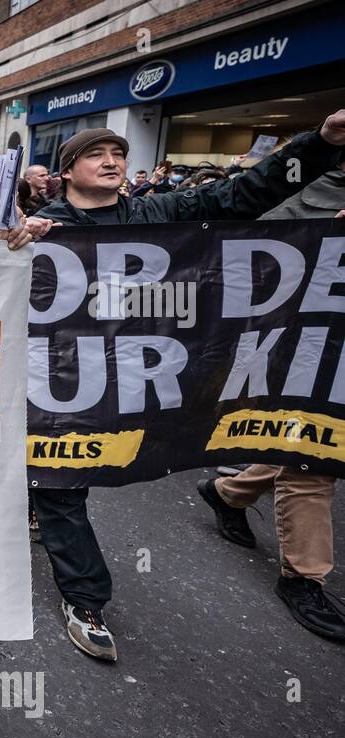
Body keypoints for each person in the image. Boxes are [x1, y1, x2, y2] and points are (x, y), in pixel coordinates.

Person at [33, 112, 345, 662]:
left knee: (67, 473)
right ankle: (85, 600)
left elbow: (243, 194)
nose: (111, 162)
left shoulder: (157, 212)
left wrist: (318, 144)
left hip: (139, 375)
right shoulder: (48, 226)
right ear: (67, 172)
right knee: (62, 477)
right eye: (95, 155)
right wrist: (12, 242)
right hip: (66, 378)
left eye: (118, 155)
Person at [195, 155, 345, 640]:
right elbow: (255, 246)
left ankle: (227, 492)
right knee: (317, 450)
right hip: (313, 334)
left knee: (303, 439)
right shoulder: (318, 185)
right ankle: (305, 576)